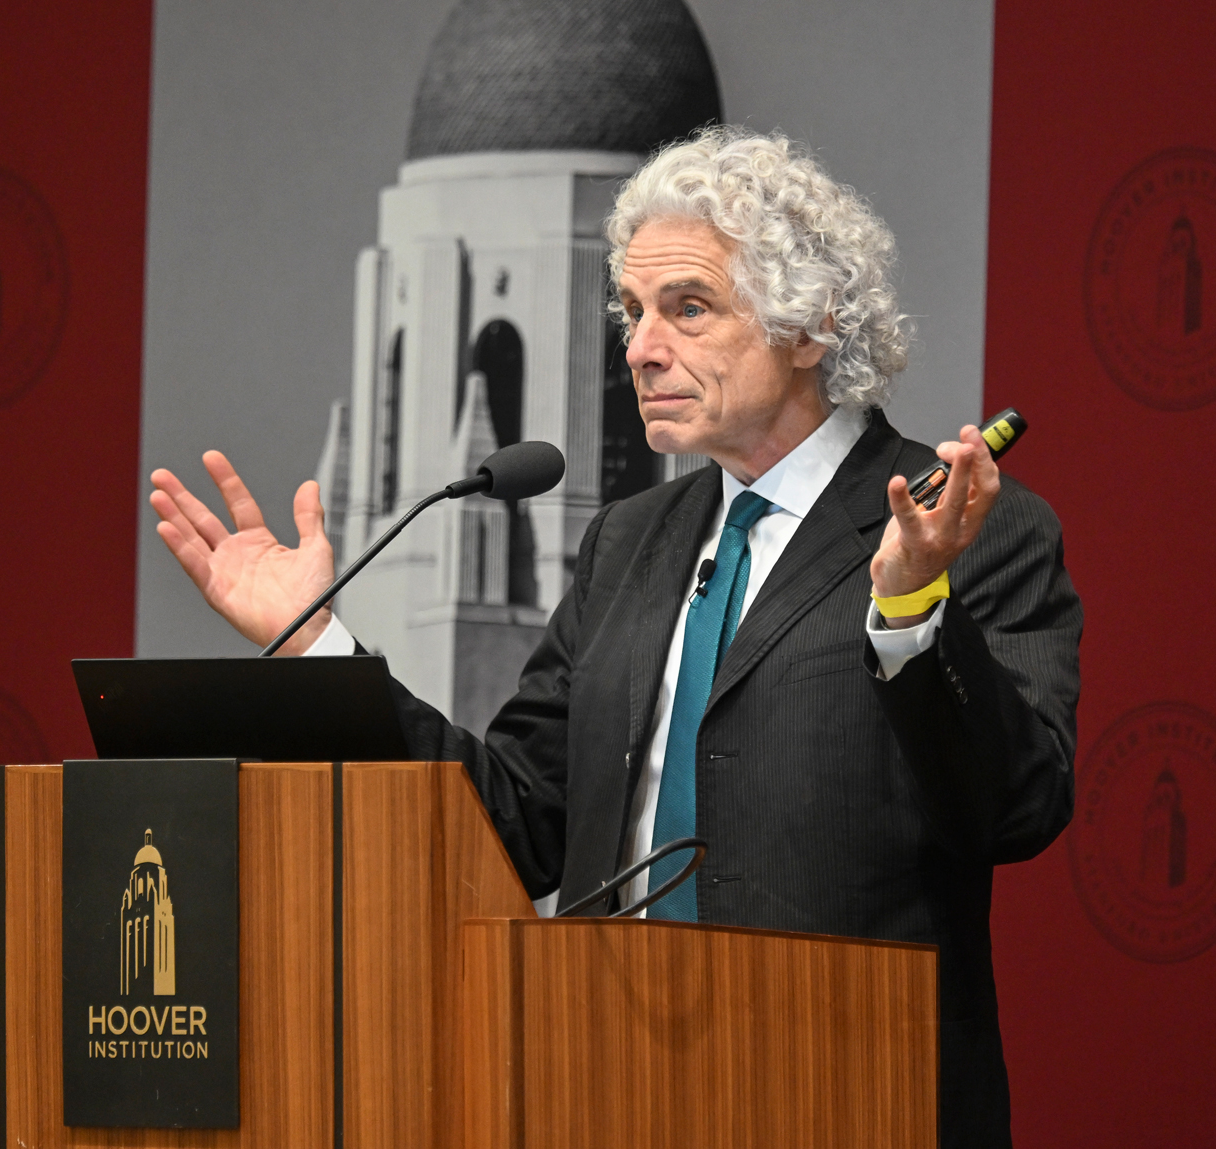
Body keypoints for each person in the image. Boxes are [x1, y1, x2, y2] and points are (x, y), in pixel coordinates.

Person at [149, 128, 1081, 1147]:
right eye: (631, 313)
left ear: (810, 323)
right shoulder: (628, 543)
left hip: (840, 1095)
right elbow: (513, 822)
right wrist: (318, 646)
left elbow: (1016, 807)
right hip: (597, 1086)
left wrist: (908, 611)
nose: (638, 347)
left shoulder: (962, 532)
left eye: (686, 308)